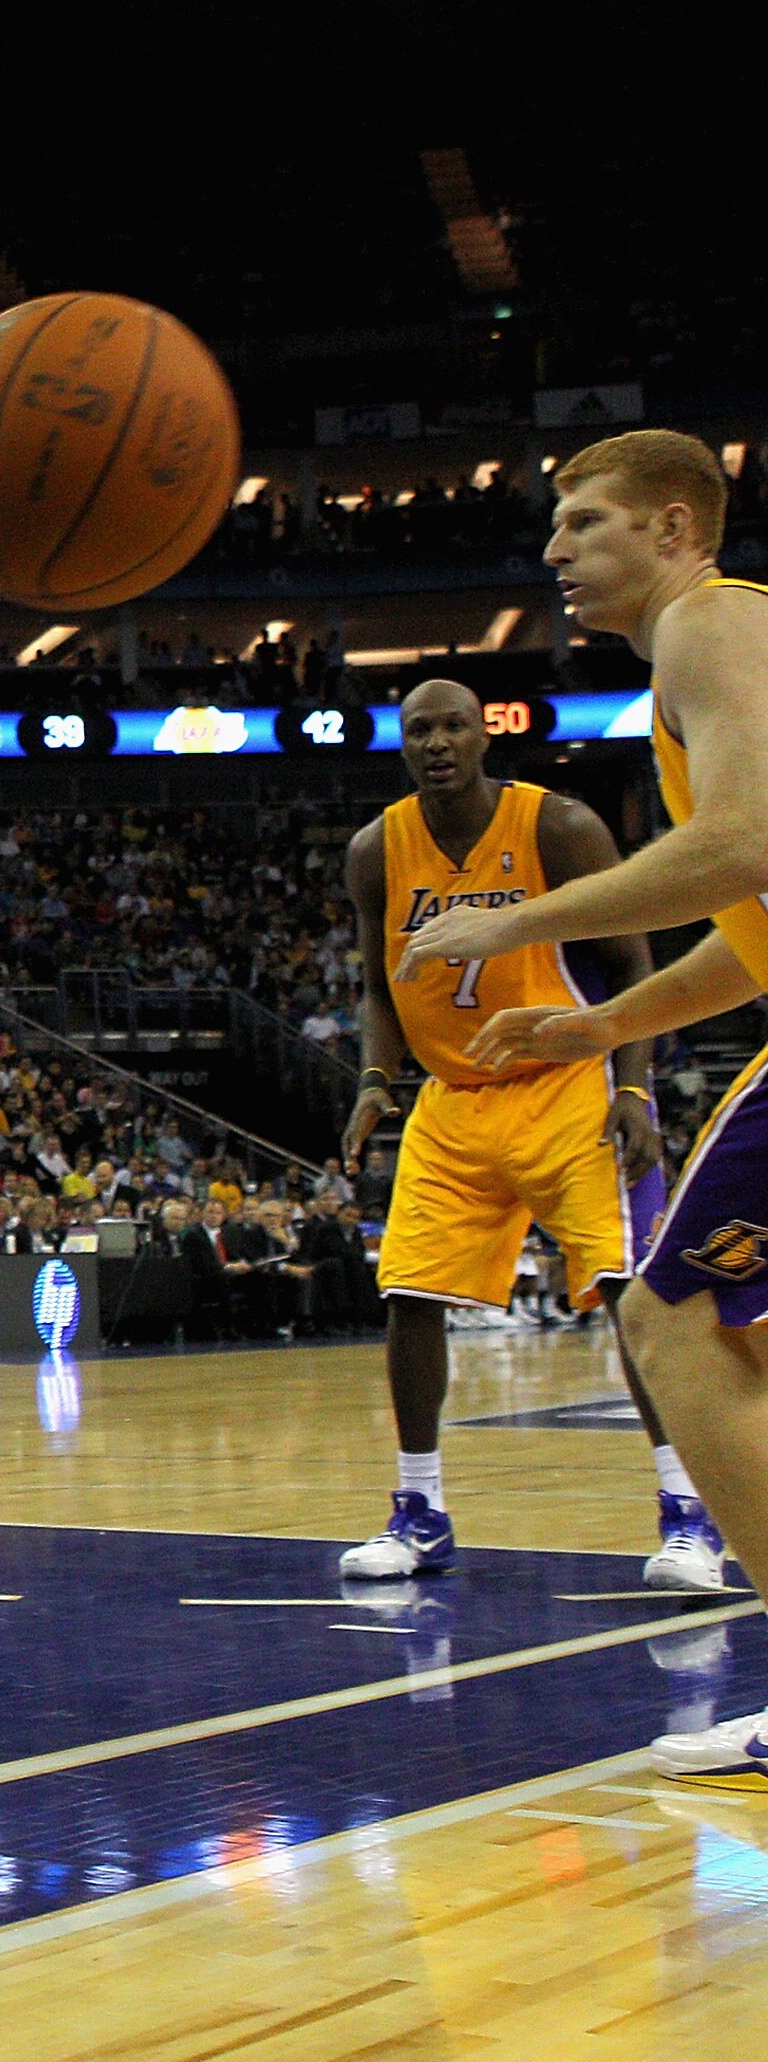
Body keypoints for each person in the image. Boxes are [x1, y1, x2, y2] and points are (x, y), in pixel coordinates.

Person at [402, 431, 768, 1783]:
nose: (554, 550)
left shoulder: (707, 627)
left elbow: (742, 843)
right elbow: (752, 920)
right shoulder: (728, 643)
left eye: (584, 522)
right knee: (730, 1333)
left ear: (675, 527)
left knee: (668, 1316)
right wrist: (608, 1019)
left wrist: (524, 917)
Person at [337, 678, 707, 1587]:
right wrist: (376, 1082)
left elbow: (632, 961)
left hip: (566, 1082)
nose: (436, 742)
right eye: (419, 728)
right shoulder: (375, 849)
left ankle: (690, 1517)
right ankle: (419, 1511)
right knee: (410, 1294)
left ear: (483, 734)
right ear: (403, 744)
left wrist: (636, 1090)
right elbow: (382, 986)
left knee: (632, 1292)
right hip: (454, 1098)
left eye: (453, 724)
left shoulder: (561, 826)